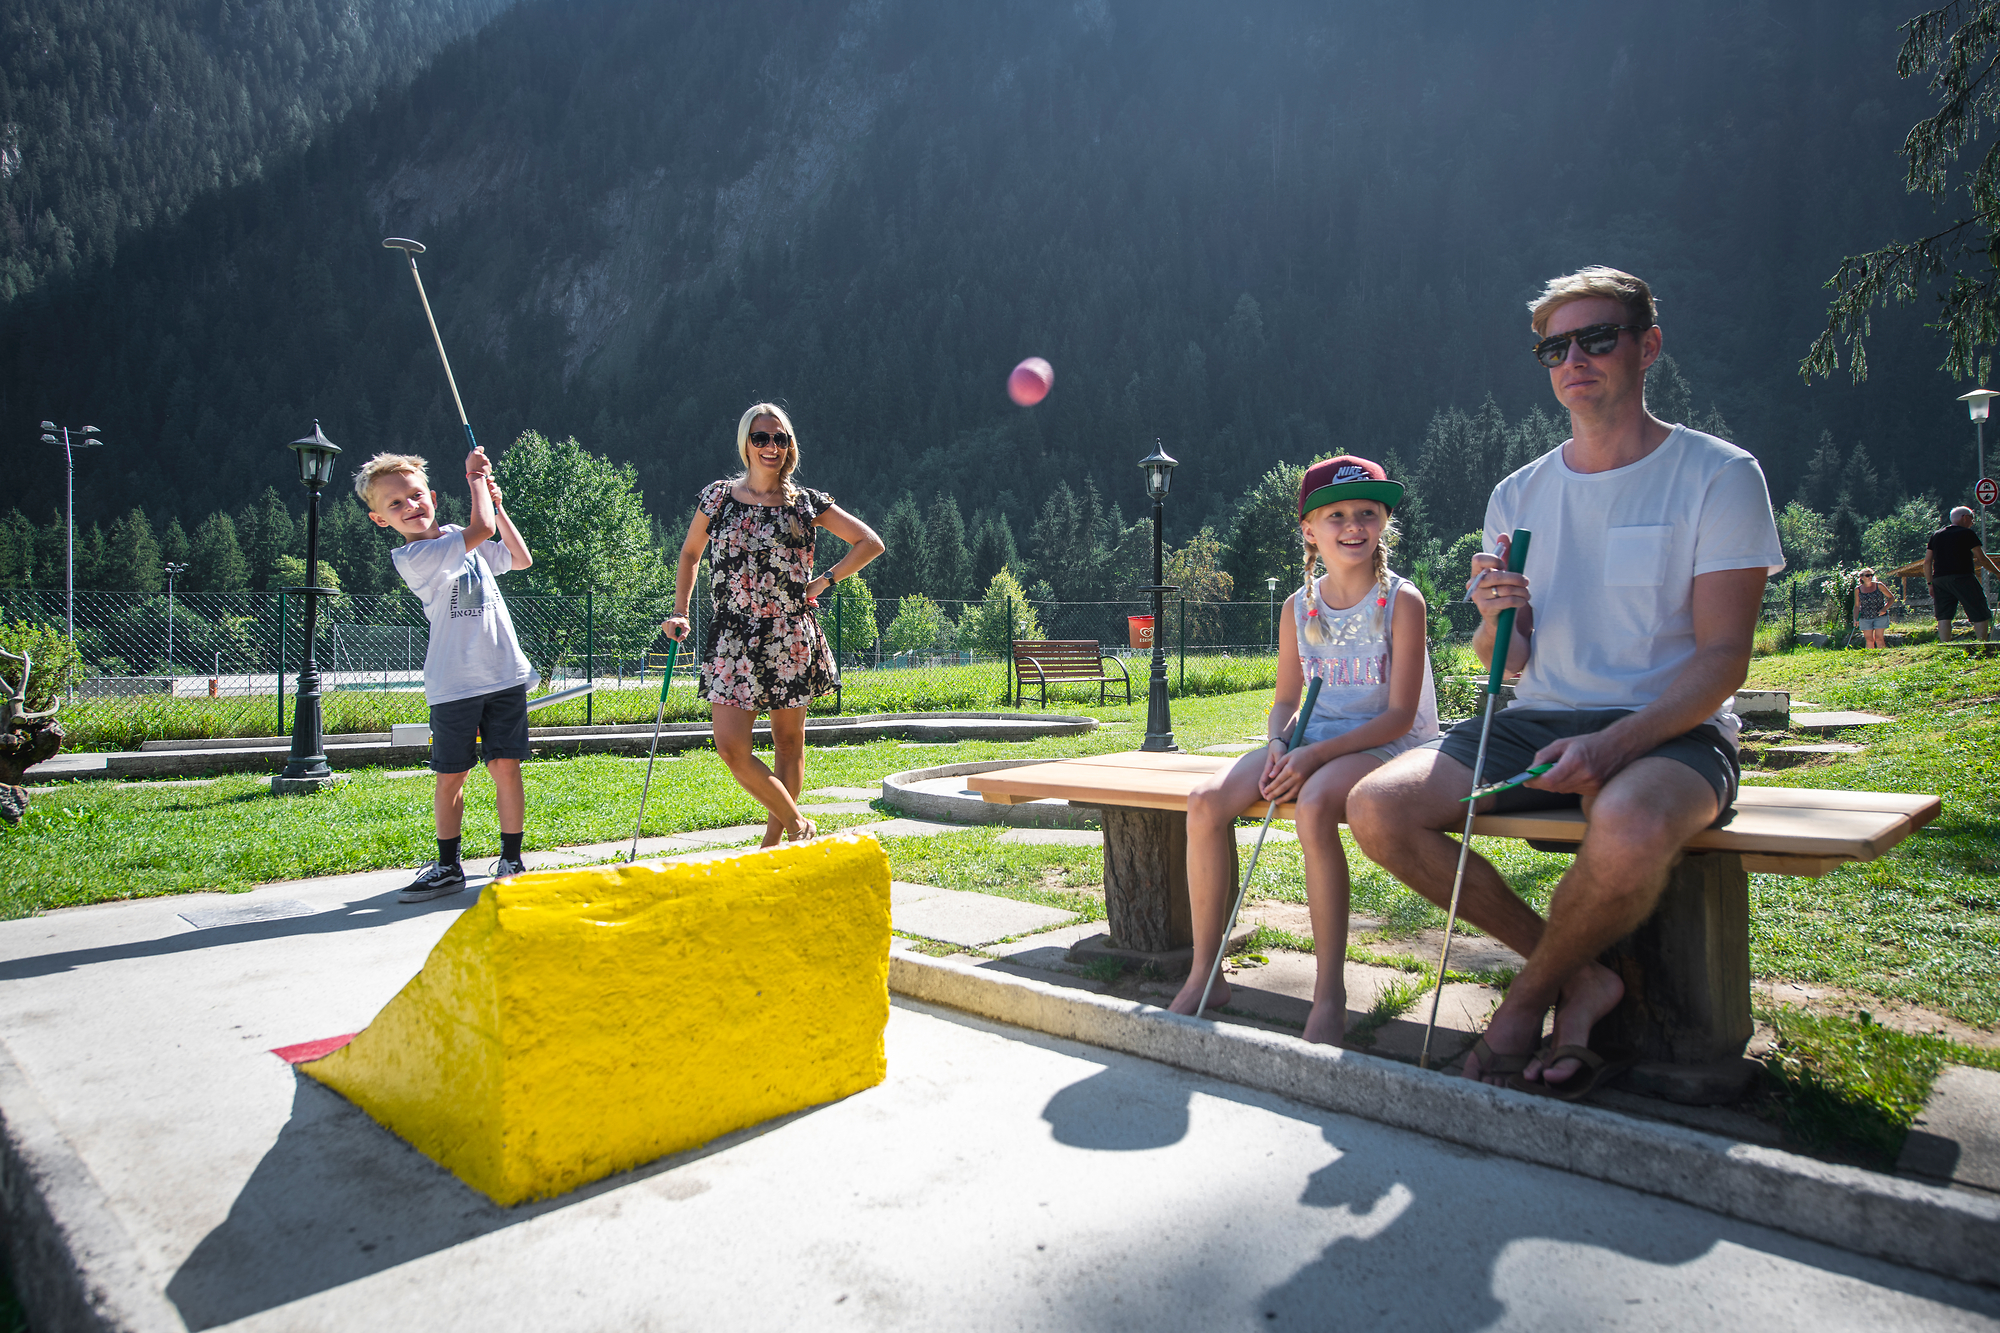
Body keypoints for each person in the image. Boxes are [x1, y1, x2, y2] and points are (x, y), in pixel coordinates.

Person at [1346, 266, 1783, 1098]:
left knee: (1624, 819)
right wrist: (1491, 618)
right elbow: (1504, 663)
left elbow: (1726, 657)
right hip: (1538, 716)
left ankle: (1527, 1000)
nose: (1574, 358)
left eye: (1597, 337)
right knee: (1375, 807)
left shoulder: (1719, 475)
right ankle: (1583, 979)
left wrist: (1614, 741)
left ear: (1647, 345)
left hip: (1672, 728)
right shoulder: (1519, 492)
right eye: (1555, 346)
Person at [1168, 456, 1437, 1045]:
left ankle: (1329, 995)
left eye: (1367, 512)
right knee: (1206, 801)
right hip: (1312, 742)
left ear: (1385, 521)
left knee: (1314, 805)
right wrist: (1279, 742)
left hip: (1387, 745)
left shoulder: (1402, 602)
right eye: (1335, 514)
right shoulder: (1299, 607)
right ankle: (1205, 973)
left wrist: (1311, 758)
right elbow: (1286, 698)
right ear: (1309, 530)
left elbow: (1397, 714)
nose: (1353, 525)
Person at [663, 404, 884, 846]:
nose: (771, 447)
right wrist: (681, 611)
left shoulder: (805, 504)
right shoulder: (719, 497)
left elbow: (870, 543)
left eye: (780, 439)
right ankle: (799, 823)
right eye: (762, 438)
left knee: (788, 744)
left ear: (790, 446)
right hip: (732, 637)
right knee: (731, 749)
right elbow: (690, 555)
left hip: (789, 635)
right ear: (746, 442)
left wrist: (824, 582)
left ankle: (772, 845)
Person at [357, 446, 538, 902]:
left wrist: (497, 503)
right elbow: (482, 530)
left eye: (415, 495)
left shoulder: (463, 535)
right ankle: (447, 866)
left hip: (504, 675)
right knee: (451, 775)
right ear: (382, 521)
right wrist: (475, 478)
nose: (409, 507)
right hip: (453, 685)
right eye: (394, 504)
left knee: (506, 767)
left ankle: (511, 859)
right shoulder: (416, 557)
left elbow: (519, 559)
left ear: (432, 496)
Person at [1925, 506, 2000, 646]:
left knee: (1944, 615)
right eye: (1972, 519)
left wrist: (1930, 583)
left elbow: (1927, 561)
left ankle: (1945, 645)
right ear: (1964, 517)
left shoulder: (1936, 535)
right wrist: (1997, 573)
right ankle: (1981, 644)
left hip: (1939, 580)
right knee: (1979, 609)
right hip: (1962, 577)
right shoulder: (1967, 533)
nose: (1972, 523)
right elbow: (1981, 558)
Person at [1852, 568, 1896, 649]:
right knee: (1869, 639)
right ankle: (1869, 658)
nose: (1870, 577)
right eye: (1867, 575)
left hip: (1880, 616)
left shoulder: (1879, 585)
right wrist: (1855, 619)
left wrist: (1885, 608)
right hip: (1865, 617)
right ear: (1861, 577)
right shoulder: (1858, 590)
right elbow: (1857, 606)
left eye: (1871, 575)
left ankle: (1882, 657)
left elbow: (1891, 598)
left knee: (1879, 638)